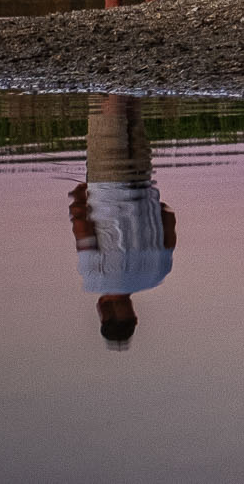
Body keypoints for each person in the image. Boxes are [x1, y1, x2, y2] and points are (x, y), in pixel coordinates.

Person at [69, 94, 176, 350]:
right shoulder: (93, 278)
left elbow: (169, 220)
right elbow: (82, 225)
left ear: (134, 316)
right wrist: (78, 197)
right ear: (102, 313)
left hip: (143, 183)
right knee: (107, 110)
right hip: (106, 183)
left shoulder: (158, 275)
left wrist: (147, 203)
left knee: (132, 111)